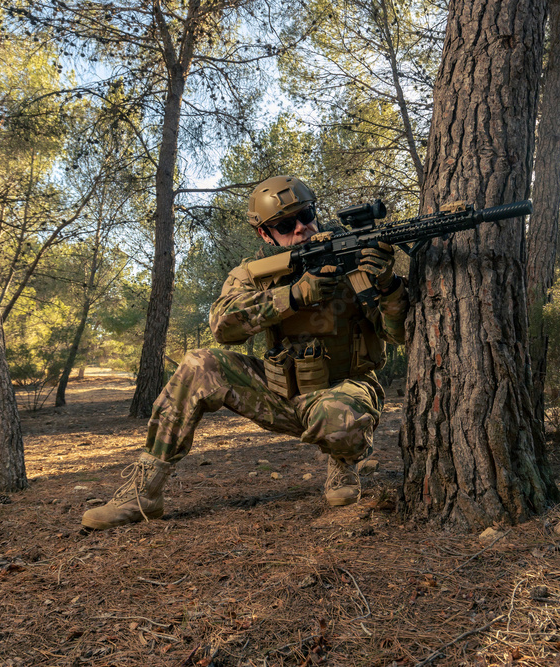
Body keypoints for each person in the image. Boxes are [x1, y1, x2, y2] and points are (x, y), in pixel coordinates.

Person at [82, 176, 409, 530]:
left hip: (347, 388)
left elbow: (399, 333)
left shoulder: (359, 261)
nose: (301, 229)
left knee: (338, 416)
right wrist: (294, 295)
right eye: (285, 225)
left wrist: (388, 286)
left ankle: (342, 463)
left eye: (306, 215)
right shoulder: (256, 275)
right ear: (266, 235)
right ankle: (143, 492)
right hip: (282, 394)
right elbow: (223, 325)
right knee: (198, 364)